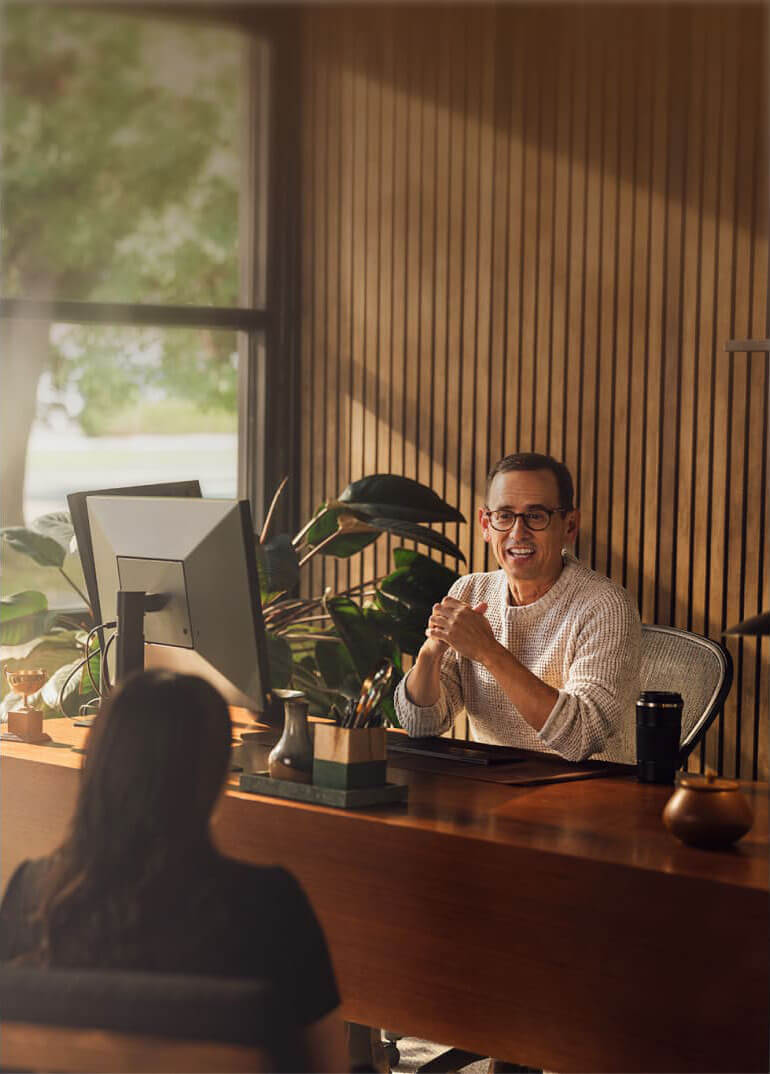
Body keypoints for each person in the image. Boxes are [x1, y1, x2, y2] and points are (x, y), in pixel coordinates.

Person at [0, 669, 347, 1073]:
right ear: (214, 779)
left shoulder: (31, 890)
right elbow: (328, 1067)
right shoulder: (271, 905)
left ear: (96, 767)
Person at [395, 452, 641, 762]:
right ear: (486, 524)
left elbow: (581, 737)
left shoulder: (605, 605)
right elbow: (422, 725)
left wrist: (488, 651)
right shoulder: (469, 591)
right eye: (505, 515)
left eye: (536, 516)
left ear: (570, 525)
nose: (517, 533)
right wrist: (429, 654)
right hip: (492, 790)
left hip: (589, 793)